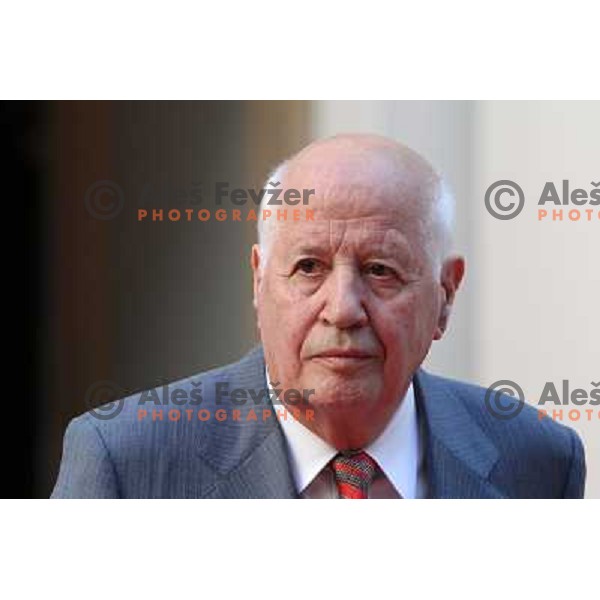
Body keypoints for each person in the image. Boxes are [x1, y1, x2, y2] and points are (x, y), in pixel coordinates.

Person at [51, 134, 586, 499]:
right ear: (259, 283)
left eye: (381, 270)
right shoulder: (124, 462)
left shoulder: (539, 461)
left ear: (446, 295)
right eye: (309, 267)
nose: (343, 309)